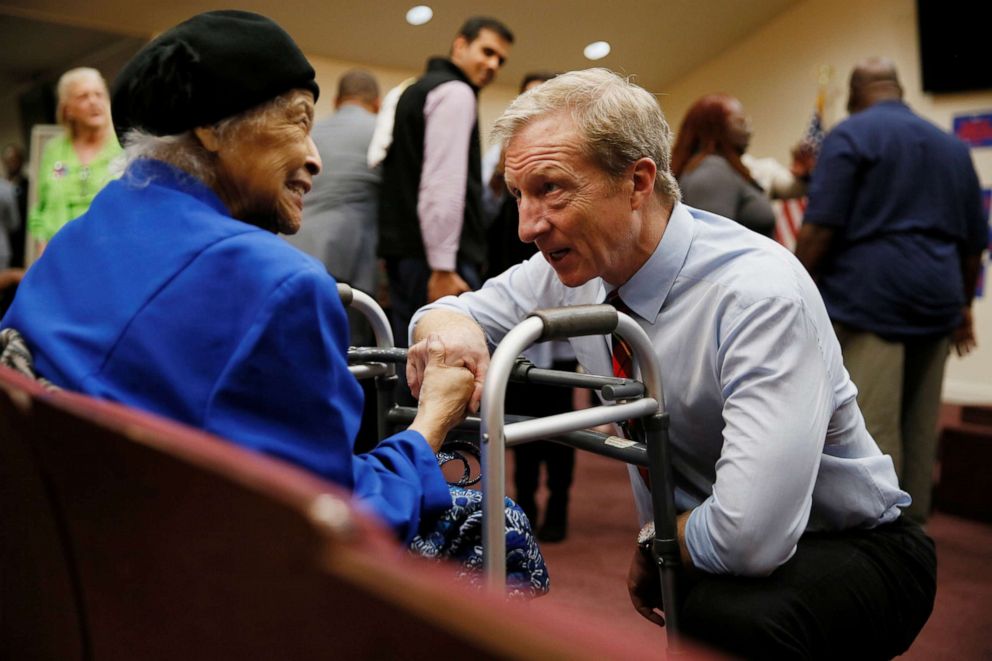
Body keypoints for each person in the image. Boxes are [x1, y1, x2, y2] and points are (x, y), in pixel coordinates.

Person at [0, 10, 547, 597]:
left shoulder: (73, 242)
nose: (314, 156)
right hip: (191, 588)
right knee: (499, 525)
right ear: (209, 126)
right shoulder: (279, 284)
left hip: (63, 569)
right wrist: (430, 424)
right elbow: (339, 515)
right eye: (299, 122)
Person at [408, 68, 936, 657]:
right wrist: (450, 330)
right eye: (518, 195)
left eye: (551, 188)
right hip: (709, 541)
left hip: (854, 544)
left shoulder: (757, 292)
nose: (528, 226)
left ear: (637, 182)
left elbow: (750, 538)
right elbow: (450, 311)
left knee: (725, 617)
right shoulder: (576, 264)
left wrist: (654, 538)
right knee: (697, 609)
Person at [795, 57, 987, 524]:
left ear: (856, 95)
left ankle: (879, 546)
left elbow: (820, 229)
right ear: (898, 90)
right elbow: (973, 245)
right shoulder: (952, 146)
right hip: (939, 299)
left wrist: (792, 288)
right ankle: (914, 531)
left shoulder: (850, 135)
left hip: (870, 301)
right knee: (922, 430)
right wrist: (963, 306)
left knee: (872, 430)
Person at [377, 16, 513, 348]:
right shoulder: (456, 92)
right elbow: (443, 184)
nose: (493, 64)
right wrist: (442, 268)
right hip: (438, 263)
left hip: (410, 256)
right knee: (446, 372)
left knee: (410, 365)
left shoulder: (414, 90)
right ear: (460, 45)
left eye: (501, 60)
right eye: (487, 51)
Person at [481, 71, 577, 542]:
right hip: (518, 325)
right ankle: (521, 507)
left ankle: (557, 506)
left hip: (559, 333)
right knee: (517, 425)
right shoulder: (502, 190)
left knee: (560, 426)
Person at [286, 68, 382, 347]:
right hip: (348, 261)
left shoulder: (309, 134)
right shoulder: (380, 134)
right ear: (377, 103)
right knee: (346, 351)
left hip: (292, 248)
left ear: (337, 100)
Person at [27, 67, 122, 257]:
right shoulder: (54, 150)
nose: (94, 102)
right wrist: (42, 248)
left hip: (113, 254)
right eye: (83, 96)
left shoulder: (125, 146)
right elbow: (42, 208)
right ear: (67, 109)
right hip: (62, 256)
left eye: (99, 94)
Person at [670, 94, 776, 237]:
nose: (749, 130)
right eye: (740, 122)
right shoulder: (712, 171)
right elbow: (714, 243)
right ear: (715, 128)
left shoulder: (721, 167)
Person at [2, 144, 28, 267]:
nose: (12, 163)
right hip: (5, 241)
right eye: (9, 160)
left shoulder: (29, 185)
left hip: (23, 240)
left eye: (15, 159)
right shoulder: (2, 187)